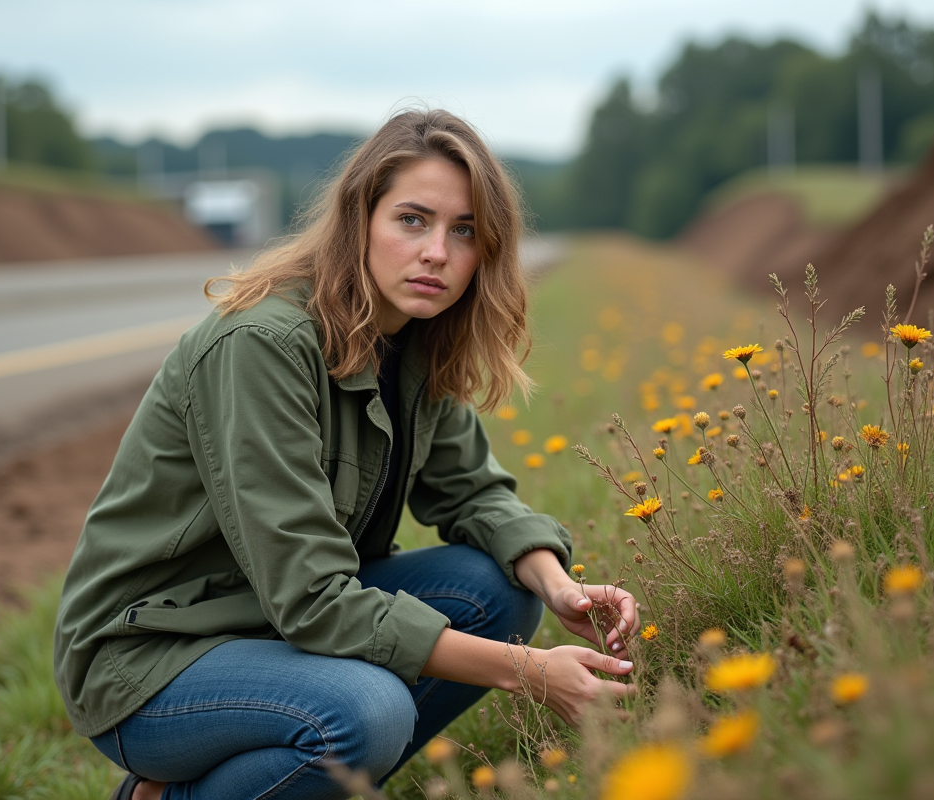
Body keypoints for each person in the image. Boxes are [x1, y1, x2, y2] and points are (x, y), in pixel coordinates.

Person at [53, 109, 640, 800]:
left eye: (465, 232)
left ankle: (289, 781)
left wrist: (560, 587)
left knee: (499, 589)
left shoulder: (417, 337)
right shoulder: (264, 345)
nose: (436, 254)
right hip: (152, 656)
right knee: (367, 713)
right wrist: (528, 670)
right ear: (360, 217)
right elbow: (312, 597)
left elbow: (474, 494)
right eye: (412, 221)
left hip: (268, 624)